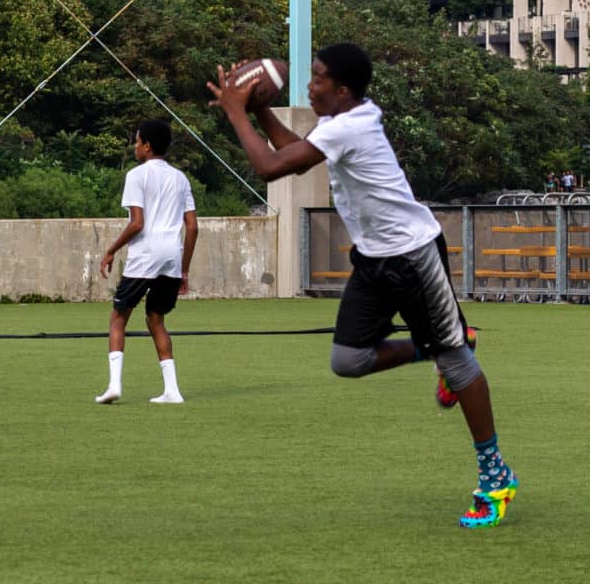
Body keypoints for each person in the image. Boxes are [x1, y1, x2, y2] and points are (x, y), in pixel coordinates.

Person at [209, 42, 519, 528]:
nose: (309, 85)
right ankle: (439, 345)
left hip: (414, 256)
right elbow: (297, 152)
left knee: (458, 365)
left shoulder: (351, 125)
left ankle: (495, 476)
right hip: (375, 262)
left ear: (343, 89)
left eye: (317, 79)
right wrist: (259, 108)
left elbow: (272, 167)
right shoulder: (341, 120)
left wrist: (236, 113)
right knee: (348, 361)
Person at [96, 119, 197, 405]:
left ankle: (114, 385)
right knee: (156, 320)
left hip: (146, 255)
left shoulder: (136, 175)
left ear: (147, 146)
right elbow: (192, 227)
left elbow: (136, 223)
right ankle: (172, 390)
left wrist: (111, 250)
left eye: (137, 141)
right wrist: (184, 270)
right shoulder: (181, 178)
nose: (135, 146)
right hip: (172, 256)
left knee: (118, 317)